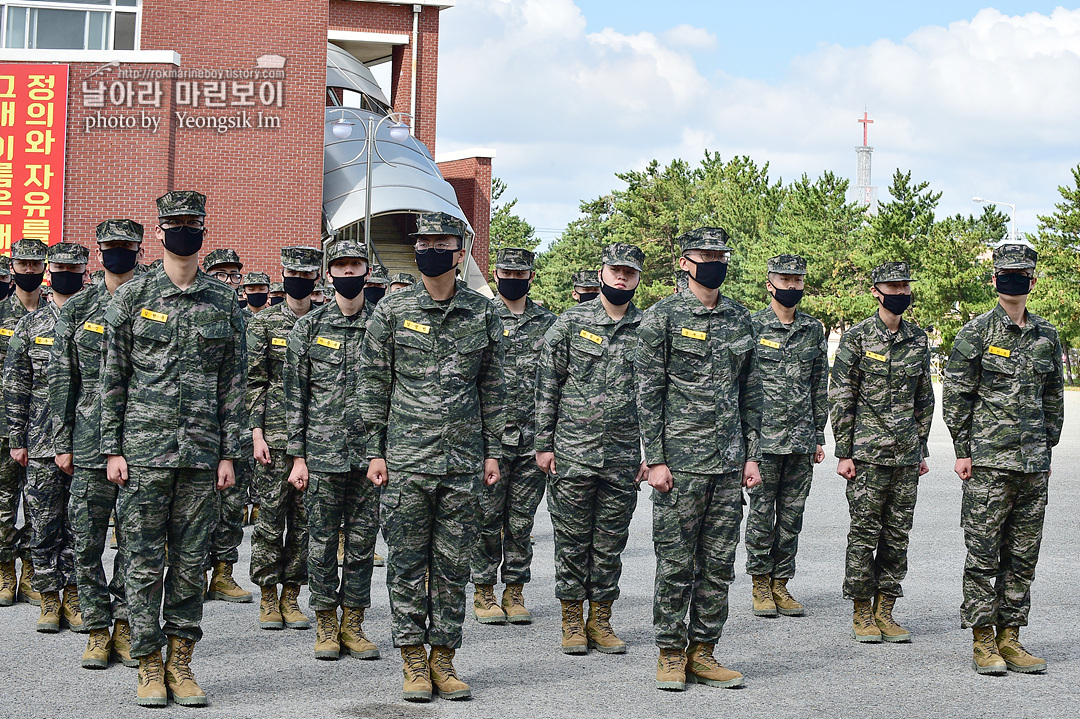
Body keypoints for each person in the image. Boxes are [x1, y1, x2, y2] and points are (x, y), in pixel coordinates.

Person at [101, 190, 245, 707]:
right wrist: (112, 449)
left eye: (194, 222)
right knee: (141, 562)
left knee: (189, 563)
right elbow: (111, 379)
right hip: (143, 454)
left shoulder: (224, 301)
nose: (185, 230)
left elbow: (234, 383)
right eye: (175, 223)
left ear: (204, 229)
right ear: (159, 232)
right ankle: (147, 664)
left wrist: (230, 454)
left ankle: (181, 663)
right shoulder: (131, 299)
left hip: (203, 458)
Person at [360, 211, 504, 702]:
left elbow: (492, 387)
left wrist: (492, 452)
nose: (428, 249)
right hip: (405, 461)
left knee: (452, 566)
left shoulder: (482, 313)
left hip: (462, 463)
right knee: (405, 563)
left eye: (439, 242)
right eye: (422, 242)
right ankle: (413, 662)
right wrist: (374, 452)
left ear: (459, 252)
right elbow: (373, 385)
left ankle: (444, 658)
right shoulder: (392, 313)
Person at [636, 227, 762, 691]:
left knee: (717, 564)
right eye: (705, 254)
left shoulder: (739, 318)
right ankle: (670, 653)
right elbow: (647, 394)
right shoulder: (661, 318)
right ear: (685, 262)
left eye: (720, 254)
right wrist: (656, 459)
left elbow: (752, 391)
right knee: (675, 562)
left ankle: (704, 652)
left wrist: (751, 456)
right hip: (680, 465)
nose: (715, 261)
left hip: (728, 465)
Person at [942, 241, 1062, 676]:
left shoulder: (1047, 334)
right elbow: (956, 395)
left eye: (1021, 274)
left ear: (1033, 280)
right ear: (995, 279)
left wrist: (1047, 448)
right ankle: (982, 641)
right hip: (989, 465)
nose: (1013, 280)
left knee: (1023, 556)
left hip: (1032, 467)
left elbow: (1053, 396)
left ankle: (1011, 637)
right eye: (1005, 273)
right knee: (983, 556)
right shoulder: (976, 332)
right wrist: (963, 450)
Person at [535, 243, 647, 656]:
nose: (622, 278)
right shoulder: (570, 323)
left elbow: (656, 395)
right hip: (572, 452)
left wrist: (651, 451)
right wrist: (543, 444)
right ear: (601, 273)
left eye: (629, 273)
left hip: (621, 458)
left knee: (610, 542)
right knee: (571, 540)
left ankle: (600, 620)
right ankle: (570, 621)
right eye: (615, 270)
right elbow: (547, 386)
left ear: (638, 279)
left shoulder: (648, 329)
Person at [50, 220, 144, 668]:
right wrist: (62, 441)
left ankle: (126, 624)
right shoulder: (79, 307)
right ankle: (96, 628)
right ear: (99, 251)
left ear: (141, 248)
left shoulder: (152, 297)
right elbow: (62, 379)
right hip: (87, 445)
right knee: (86, 542)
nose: (117, 253)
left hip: (144, 441)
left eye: (126, 246)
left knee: (135, 543)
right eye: (110, 246)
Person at [285, 239, 381, 661]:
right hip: (322, 455)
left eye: (354, 265)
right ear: (328, 273)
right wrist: (298, 456)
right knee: (321, 542)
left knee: (362, 544)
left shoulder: (385, 325)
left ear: (367, 270)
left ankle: (354, 623)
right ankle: (326, 621)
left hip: (371, 456)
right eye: (340, 267)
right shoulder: (308, 328)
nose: (347, 274)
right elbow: (295, 397)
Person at [829, 261, 933, 645]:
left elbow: (924, 397)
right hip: (867, 455)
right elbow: (841, 397)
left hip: (906, 455)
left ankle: (885, 609)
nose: (900, 292)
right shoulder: (857, 338)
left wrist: (920, 447)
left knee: (897, 535)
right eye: (892, 286)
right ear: (876, 290)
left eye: (905, 285)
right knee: (864, 533)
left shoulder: (918, 339)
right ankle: (861, 610)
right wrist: (844, 451)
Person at [6, 240, 89, 635]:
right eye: (59, 267)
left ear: (85, 271)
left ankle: (72, 593)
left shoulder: (98, 319)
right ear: (48, 271)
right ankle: (48, 597)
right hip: (39, 442)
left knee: (79, 523)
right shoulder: (30, 324)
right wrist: (16, 438)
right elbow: (16, 385)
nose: (65, 274)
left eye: (74, 267)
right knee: (42, 523)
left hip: (85, 441)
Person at [471, 248, 556, 625]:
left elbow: (557, 381)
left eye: (520, 273)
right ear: (495, 273)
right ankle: (484, 590)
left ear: (531, 277)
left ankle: (515, 590)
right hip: (490, 438)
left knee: (521, 522)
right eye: (506, 271)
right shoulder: (479, 316)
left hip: (531, 440)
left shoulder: (549, 323)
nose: (513, 278)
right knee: (487, 517)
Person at [745, 254, 827, 618]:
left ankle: (782, 582)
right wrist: (747, 444)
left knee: (792, 517)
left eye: (797, 280)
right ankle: (760, 582)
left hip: (800, 438)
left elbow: (818, 384)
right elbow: (742, 388)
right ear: (769, 283)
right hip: (763, 440)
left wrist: (818, 435)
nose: (791, 286)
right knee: (762, 514)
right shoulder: (751, 326)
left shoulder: (813, 329)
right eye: (784, 279)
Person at [248, 247, 321, 633]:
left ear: (316, 278)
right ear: (284, 274)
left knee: (306, 523)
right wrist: (256, 433)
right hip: (273, 440)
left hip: (316, 438)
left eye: (307, 273)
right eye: (293, 272)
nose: (299, 279)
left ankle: (292, 594)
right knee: (271, 520)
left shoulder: (325, 323)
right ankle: (267, 594)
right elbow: (254, 381)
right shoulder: (263, 324)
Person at [200, 248, 254, 604]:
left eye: (233, 276)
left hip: (240, 427)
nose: (228, 282)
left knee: (232, 505)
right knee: (196, 507)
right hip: (200, 429)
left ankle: (223, 573)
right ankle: (192, 574)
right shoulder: (196, 314)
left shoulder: (248, 321)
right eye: (220, 275)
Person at [0, 241, 47, 608]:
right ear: (12, 266)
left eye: (35, 264)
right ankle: (4, 571)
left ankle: (32, 572)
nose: (29, 271)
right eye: (23, 263)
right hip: (2, 426)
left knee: (38, 506)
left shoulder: (55, 315)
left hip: (42, 429)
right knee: (2, 504)